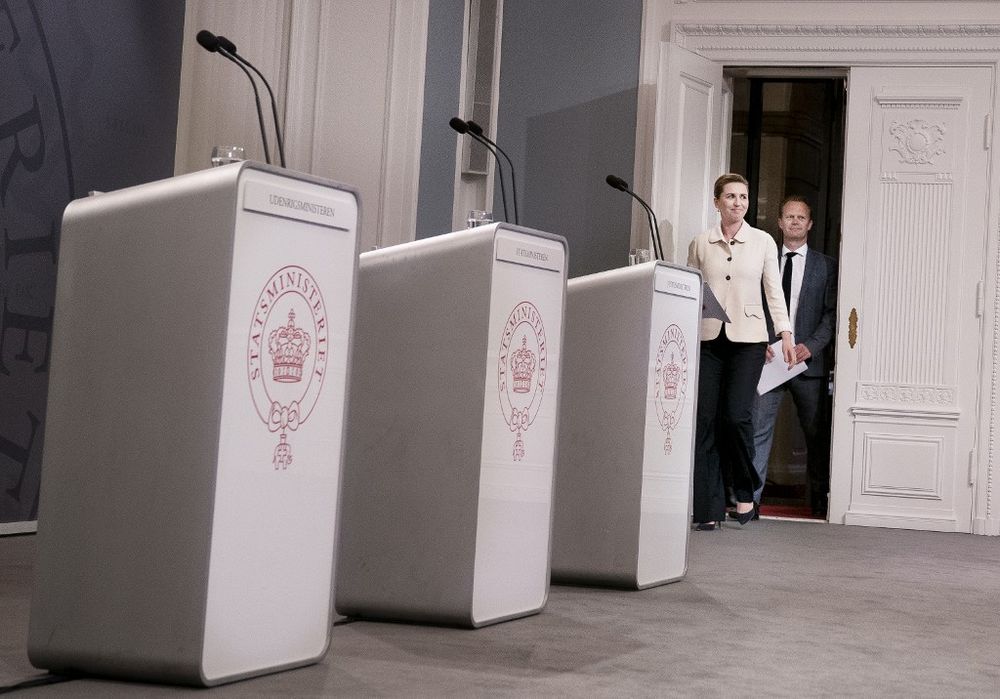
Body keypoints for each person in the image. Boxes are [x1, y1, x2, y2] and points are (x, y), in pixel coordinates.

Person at [687, 174, 795, 530]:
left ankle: (745, 489)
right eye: (730, 196)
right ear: (716, 201)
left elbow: (773, 291)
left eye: (743, 197)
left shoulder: (763, 241)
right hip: (707, 339)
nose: (737, 202)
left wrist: (785, 333)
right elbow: (691, 290)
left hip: (749, 340)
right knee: (705, 422)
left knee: (735, 418)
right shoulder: (701, 243)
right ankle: (707, 509)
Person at [751, 195, 837, 517]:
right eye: (789, 217)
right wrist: (760, 341)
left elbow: (831, 316)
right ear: (779, 222)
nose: (795, 222)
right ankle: (752, 501)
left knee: (815, 435)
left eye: (801, 217)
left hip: (807, 365)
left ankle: (819, 503)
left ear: (810, 224)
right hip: (769, 360)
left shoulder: (827, 266)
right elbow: (755, 305)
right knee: (758, 431)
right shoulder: (765, 259)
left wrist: (810, 346)